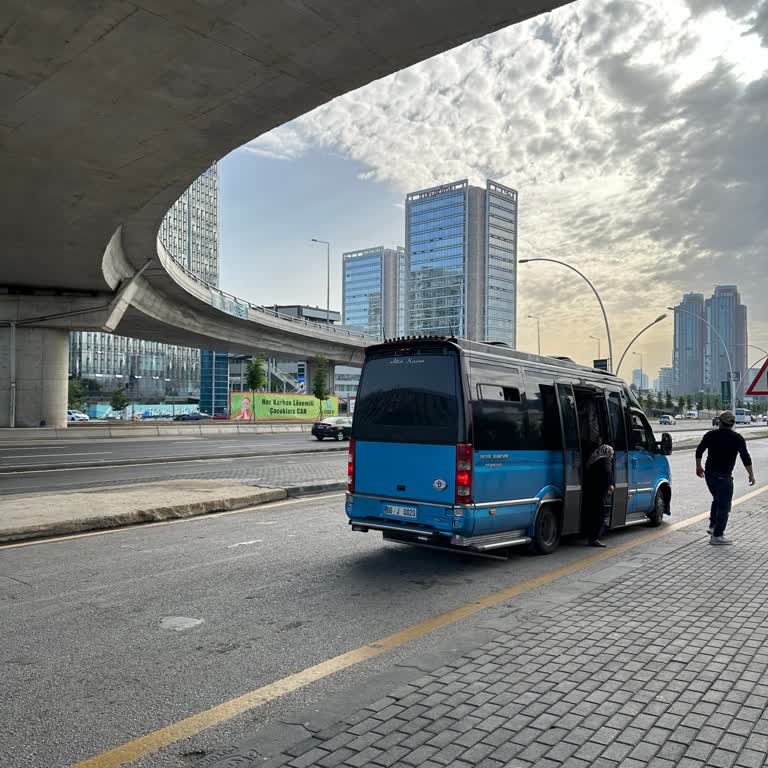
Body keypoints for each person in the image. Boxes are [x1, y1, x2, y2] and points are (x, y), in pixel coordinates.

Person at [696, 410, 755, 545]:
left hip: (709, 474)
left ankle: (712, 526)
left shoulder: (710, 435)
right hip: (724, 476)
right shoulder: (737, 438)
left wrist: (698, 466)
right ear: (733, 423)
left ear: (719, 422)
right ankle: (717, 535)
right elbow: (745, 457)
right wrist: (751, 474)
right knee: (724, 506)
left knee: (717, 499)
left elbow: (699, 450)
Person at [584, 436, 615, 547]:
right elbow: (608, 473)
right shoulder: (605, 461)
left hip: (590, 492)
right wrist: (610, 485)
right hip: (599, 492)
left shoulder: (592, 460)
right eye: (611, 454)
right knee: (599, 515)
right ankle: (594, 539)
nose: (611, 457)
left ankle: (592, 537)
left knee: (593, 514)